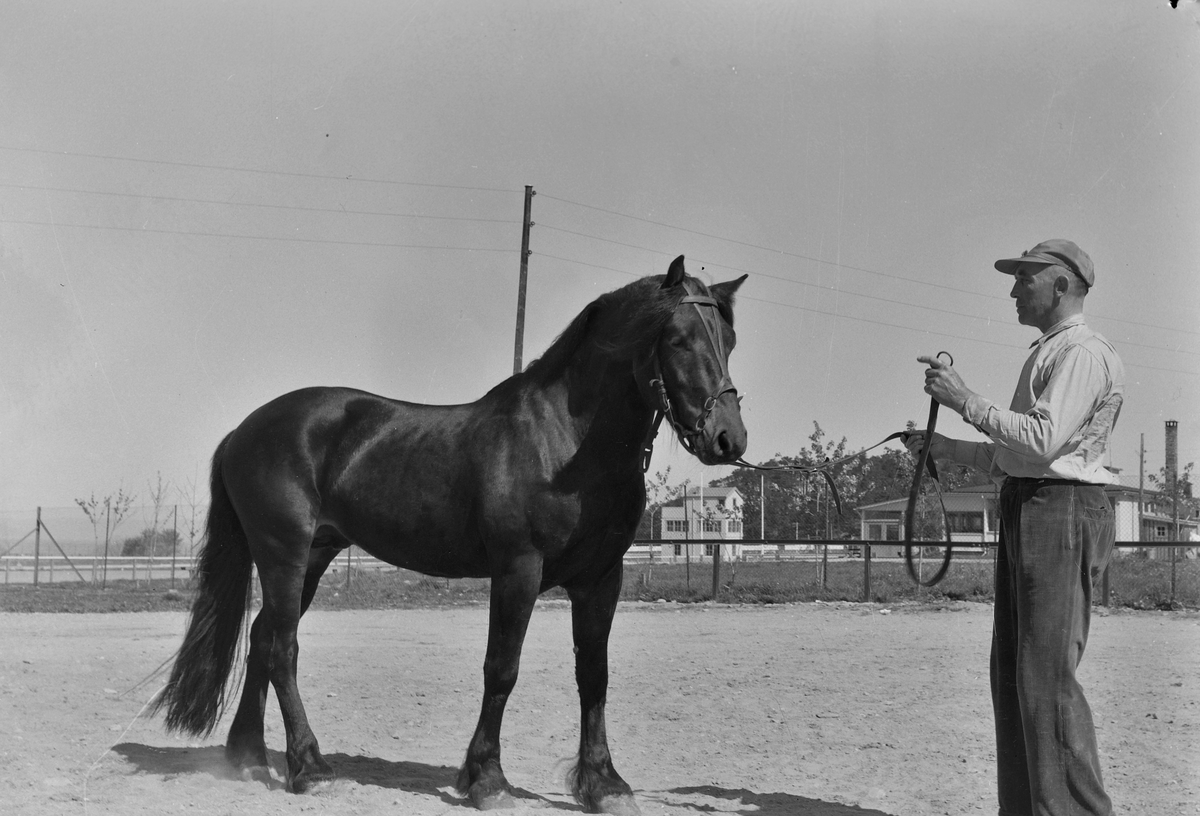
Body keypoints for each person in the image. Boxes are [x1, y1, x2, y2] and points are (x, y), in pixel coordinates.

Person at [906, 238, 1124, 816]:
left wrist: (963, 400)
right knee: (1017, 675)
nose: (1012, 289)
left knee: (1046, 682)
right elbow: (1018, 455)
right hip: (1033, 503)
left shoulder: (1083, 353)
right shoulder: (1051, 351)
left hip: (1062, 511)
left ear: (1060, 285)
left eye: (1023, 278)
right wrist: (945, 446)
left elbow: (1041, 440)